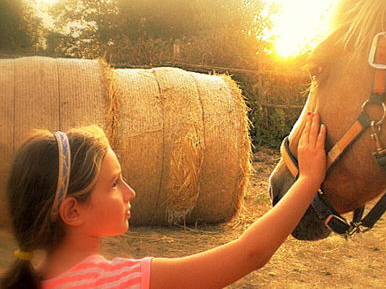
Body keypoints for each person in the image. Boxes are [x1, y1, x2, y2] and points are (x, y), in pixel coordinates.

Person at [2, 112, 326, 289]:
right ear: (73, 210)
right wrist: (309, 179)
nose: (131, 192)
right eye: (114, 183)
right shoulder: (120, 283)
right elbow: (249, 254)